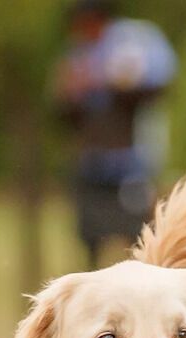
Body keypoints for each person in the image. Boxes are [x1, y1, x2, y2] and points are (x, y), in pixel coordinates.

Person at [55, 0, 175, 268]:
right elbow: (66, 107)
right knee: (90, 237)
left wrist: (103, 80)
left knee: (139, 237)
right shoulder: (79, 53)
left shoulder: (134, 41)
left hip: (131, 164)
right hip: (93, 165)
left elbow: (155, 84)